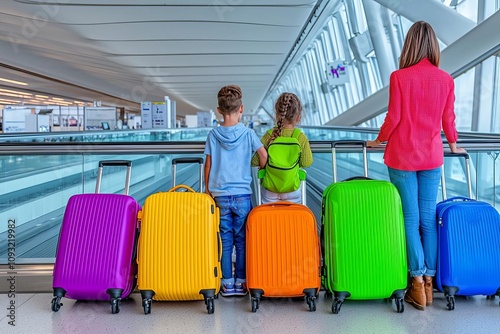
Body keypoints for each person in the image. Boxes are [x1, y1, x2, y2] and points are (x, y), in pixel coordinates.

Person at [367, 21, 466, 311]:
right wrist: (453, 145)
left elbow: (394, 118)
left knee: (409, 220)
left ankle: (417, 282)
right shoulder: (445, 80)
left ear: (409, 45)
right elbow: (449, 119)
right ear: (434, 46)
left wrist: (377, 141)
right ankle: (430, 286)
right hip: (432, 157)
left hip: (402, 157)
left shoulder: (400, 77)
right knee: (427, 220)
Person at [204, 84, 267, 297]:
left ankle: (226, 283)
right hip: (242, 194)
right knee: (242, 240)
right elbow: (264, 155)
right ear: (241, 108)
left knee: (225, 239)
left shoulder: (213, 134)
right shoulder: (248, 134)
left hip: (220, 195)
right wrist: (260, 167)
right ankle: (242, 282)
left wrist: (207, 190)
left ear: (219, 110)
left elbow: (208, 165)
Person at [251, 92, 313, 204]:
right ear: (298, 117)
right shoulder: (300, 137)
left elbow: (254, 161)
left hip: (270, 189)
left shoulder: (269, 135)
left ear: (276, 115)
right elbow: (307, 162)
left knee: (269, 218)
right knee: (291, 218)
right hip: (292, 189)